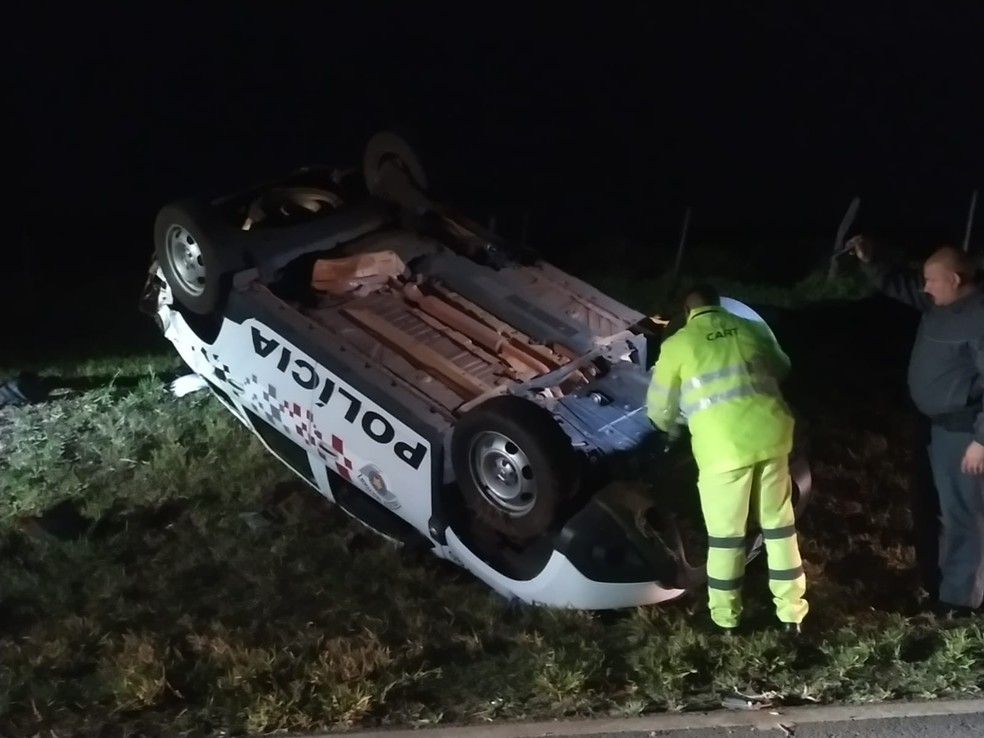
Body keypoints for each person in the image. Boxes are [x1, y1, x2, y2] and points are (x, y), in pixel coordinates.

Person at [646, 284, 808, 634]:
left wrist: (675, 426)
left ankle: (726, 619)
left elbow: (659, 409)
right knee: (780, 529)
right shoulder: (750, 327)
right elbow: (781, 366)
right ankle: (792, 614)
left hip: (724, 451)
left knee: (726, 539)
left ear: (686, 313)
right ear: (718, 305)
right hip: (771, 436)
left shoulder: (678, 344)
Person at [847, 237, 984, 615]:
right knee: (936, 510)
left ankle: (960, 601)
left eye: (931, 280)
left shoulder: (979, 316)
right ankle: (941, 585)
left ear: (956, 279)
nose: (923, 287)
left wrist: (981, 441)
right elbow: (899, 284)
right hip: (933, 428)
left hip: (964, 432)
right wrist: (873, 258)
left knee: (964, 515)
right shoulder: (940, 303)